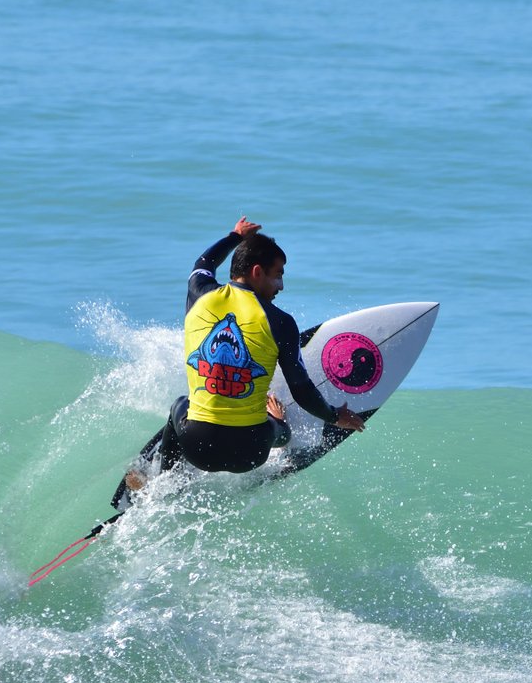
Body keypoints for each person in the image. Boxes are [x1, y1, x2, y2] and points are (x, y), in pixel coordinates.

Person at [113, 218, 365, 509]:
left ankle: (160, 483)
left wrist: (235, 235)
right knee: (279, 429)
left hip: (197, 448)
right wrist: (334, 416)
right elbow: (302, 390)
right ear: (257, 272)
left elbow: (204, 262)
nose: (281, 286)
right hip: (251, 453)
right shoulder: (281, 322)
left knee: (180, 405)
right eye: (278, 275)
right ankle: (279, 425)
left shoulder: (199, 294)